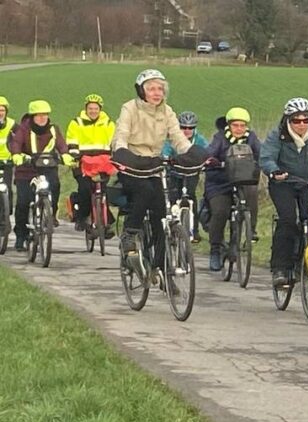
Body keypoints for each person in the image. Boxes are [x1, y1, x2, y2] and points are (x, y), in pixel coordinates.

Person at [112, 69, 204, 290]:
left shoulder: (168, 112)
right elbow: (121, 135)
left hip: (155, 165)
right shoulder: (129, 108)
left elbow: (178, 139)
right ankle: (130, 234)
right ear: (141, 91)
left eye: (160, 89)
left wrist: (192, 153)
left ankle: (159, 268)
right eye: (151, 88)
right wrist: (122, 151)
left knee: (163, 214)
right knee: (144, 191)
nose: (156, 93)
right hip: (132, 164)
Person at [260, 97, 308, 286]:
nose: (301, 124)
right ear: (288, 120)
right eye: (296, 120)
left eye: (305, 120)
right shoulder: (277, 135)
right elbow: (266, 157)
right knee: (288, 220)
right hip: (283, 183)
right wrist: (274, 171)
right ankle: (280, 268)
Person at [204, 107, 261, 271]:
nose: (239, 129)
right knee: (220, 212)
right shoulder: (220, 138)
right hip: (219, 182)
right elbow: (209, 153)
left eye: (242, 125)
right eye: (235, 125)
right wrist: (211, 161)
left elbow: (262, 154)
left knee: (251, 193)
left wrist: (265, 164)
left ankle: (250, 231)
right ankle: (215, 249)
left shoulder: (251, 138)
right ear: (228, 125)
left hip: (243, 179)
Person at [9, 100, 70, 251]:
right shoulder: (23, 129)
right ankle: (21, 235)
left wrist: (66, 155)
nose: (42, 118)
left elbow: (61, 144)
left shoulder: (53, 129)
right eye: (39, 115)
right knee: (23, 202)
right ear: (32, 117)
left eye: (45, 115)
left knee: (55, 185)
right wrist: (16, 155)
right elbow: (16, 143)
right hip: (26, 171)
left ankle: (51, 213)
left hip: (47, 168)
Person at [66, 93, 116, 237]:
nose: (93, 111)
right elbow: (72, 141)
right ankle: (82, 217)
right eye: (90, 108)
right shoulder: (76, 123)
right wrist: (75, 156)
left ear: (100, 110)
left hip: (103, 163)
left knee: (103, 192)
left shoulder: (109, 124)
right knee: (85, 189)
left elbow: (114, 142)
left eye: (96, 109)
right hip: (82, 162)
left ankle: (105, 223)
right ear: (86, 109)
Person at [162, 110, 208, 243]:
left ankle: (195, 231)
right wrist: (166, 158)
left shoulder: (199, 140)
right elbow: (165, 150)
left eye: (190, 128)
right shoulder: (173, 138)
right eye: (184, 127)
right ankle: (172, 227)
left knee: (191, 196)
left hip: (192, 173)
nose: (187, 130)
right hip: (174, 173)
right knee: (173, 197)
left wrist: (207, 161)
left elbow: (206, 151)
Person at [0, 96, 20, 214]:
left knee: (7, 186)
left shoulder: (12, 124)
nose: (0, 113)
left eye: (2, 110)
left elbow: (21, 139)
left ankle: (7, 213)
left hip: (7, 161)